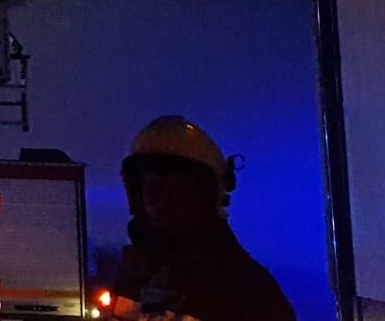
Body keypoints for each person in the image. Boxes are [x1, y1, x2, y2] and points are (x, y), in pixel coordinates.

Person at [109, 115, 294, 321]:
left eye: (180, 191)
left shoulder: (248, 290)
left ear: (206, 199)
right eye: (154, 189)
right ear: (138, 195)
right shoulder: (133, 277)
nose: (164, 202)